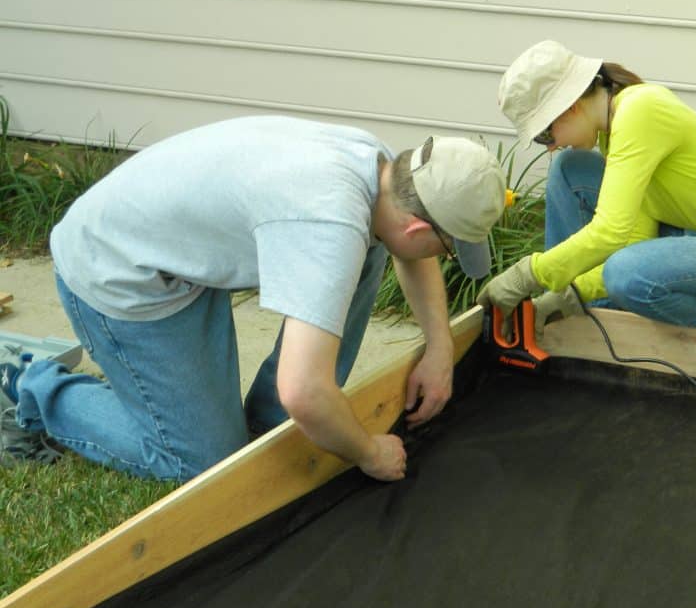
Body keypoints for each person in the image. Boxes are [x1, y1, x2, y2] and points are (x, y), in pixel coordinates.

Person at [0, 116, 505, 482]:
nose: (442, 257)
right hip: (116, 272)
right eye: (447, 247)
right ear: (419, 226)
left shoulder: (384, 174)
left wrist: (440, 349)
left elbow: (409, 248)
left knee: (372, 251)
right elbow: (303, 391)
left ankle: (269, 427)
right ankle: (32, 385)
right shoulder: (328, 222)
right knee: (202, 465)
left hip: (175, 254)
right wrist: (369, 452)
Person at [476, 40, 696, 334]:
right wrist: (568, 295)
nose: (549, 147)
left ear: (570, 107)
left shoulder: (641, 111)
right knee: (569, 169)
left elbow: (610, 232)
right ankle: (586, 319)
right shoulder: (613, 131)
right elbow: (635, 236)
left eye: (545, 135)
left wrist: (527, 275)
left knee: (625, 272)